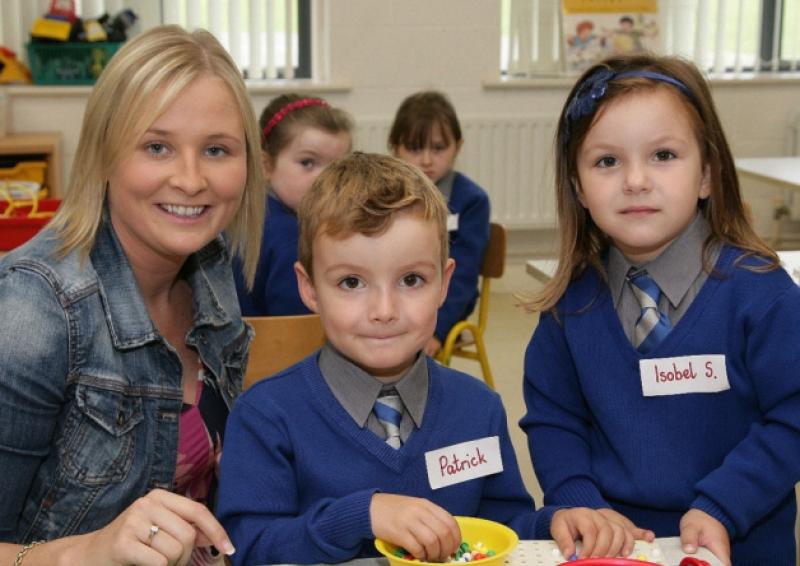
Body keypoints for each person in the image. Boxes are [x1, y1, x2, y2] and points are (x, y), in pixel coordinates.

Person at [217, 152, 650, 565]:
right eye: (351, 282)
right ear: (309, 287)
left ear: (444, 283)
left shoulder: (478, 408)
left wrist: (553, 521)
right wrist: (360, 515)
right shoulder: (266, 415)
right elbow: (248, 548)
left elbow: (500, 528)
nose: (384, 310)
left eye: (411, 279)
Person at [519, 54, 800, 566]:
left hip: (740, 545)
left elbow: (793, 415)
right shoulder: (569, 306)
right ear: (579, 187)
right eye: (607, 161)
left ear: (708, 174)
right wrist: (581, 503)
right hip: (616, 551)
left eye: (663, 155)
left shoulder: (761, 293)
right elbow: (554, 421)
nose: (636, 180)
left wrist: (725, 504)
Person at [0, 25, 265, 566]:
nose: (191, 180)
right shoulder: (32, 312)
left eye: (216, 150)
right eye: (157, 146)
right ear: (103, 156)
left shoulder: (211, 267)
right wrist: (86, 552)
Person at [389, 91, 490, 357]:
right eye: (413, 148)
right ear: (394, 147)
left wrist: (437, 331)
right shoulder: (381, 195)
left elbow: (463, 277)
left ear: (458, 146)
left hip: (445, 305)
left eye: (438, 148)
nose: (426, 160)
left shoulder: (471, 200)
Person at [233, 93, 353, 316]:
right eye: (308, 163)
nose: (325, 178)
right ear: (266, 165)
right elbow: (299, 328)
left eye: (338, 166)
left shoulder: (246, 213)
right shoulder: (291, 236)